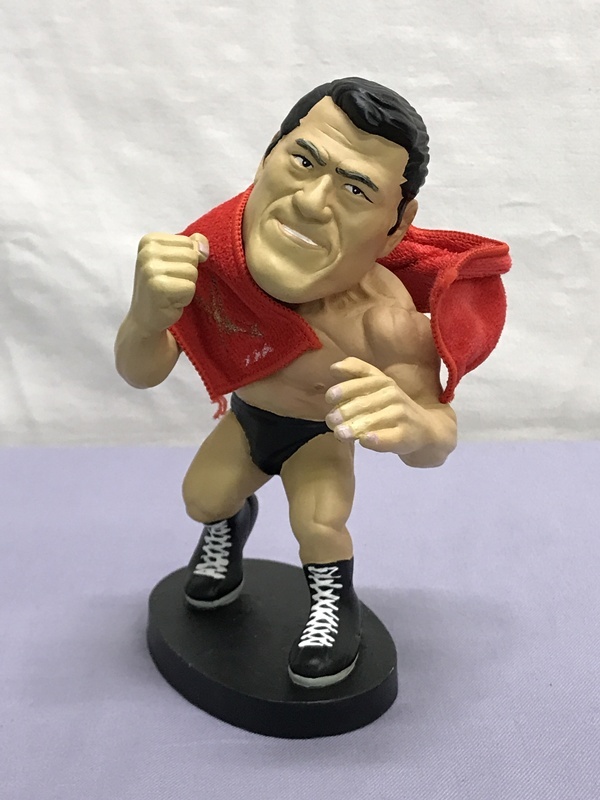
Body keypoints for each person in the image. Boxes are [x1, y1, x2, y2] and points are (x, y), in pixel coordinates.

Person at [115, 77, 509, 689]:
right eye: (303, 161)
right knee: (203, 500)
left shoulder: (383, 321)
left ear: (396, 225)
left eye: (355, 189)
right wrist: (144, 319)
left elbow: (437, 439)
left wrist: (413, 425)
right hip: (248, 419)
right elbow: (142, 373)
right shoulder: (213, 255)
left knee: (319, 524)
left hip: (317, 436)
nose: (311, 201)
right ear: (266, 157)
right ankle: (226, 531)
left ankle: (332, 603)